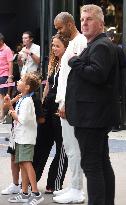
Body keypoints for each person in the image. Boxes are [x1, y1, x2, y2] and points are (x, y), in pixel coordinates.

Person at [65, 4, 120, 205]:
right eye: (82, 19)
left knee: (93, 166)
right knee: (102, 163)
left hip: (92, 118)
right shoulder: (98, 45)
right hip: (93, 116)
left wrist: (75, 61)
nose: (84, 23)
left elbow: (97, 74)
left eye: (89, 19)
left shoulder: (101, 46)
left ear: (101, 23)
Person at [53, 12, 87, 204]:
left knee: (74, 148)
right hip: (65, 102)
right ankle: (73, 185)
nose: (59, 32)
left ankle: (77, 189)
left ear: (70, 24)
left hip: (70, 103)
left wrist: (67, 103)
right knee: (69, 147)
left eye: (60, 28)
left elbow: (77, 78)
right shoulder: (73, 43)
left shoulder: (80, 41)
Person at [33, 33, 69, 193]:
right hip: (48, 107)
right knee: (41, 144)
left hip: (59, 108)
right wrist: (41, 104)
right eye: (53, 45)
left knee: (62, 147)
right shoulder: (53, 63)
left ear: (66, 47)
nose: (54, 48)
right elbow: (48, 85)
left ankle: (53, 183)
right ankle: (30, 180)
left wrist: (64, 106)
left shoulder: (69, 63)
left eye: (57, 46)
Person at [5, 73, 44, 205]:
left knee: (27, 163)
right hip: (21, 138)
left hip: (26, 138)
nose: (18, 82)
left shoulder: (27, 101)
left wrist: (12, 113)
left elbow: (22, 119)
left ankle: (35, 193)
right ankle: (24, 193)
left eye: (21, 80)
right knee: (21, 164)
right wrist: (10, 106)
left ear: (27, 87)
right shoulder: (22, 99)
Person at [0, 33, 13, 122]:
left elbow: (10, 63)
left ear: (1, 41)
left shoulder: (7, 49)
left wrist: (10, 76)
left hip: (4, 75)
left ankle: (1, 115)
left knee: (2, 96)